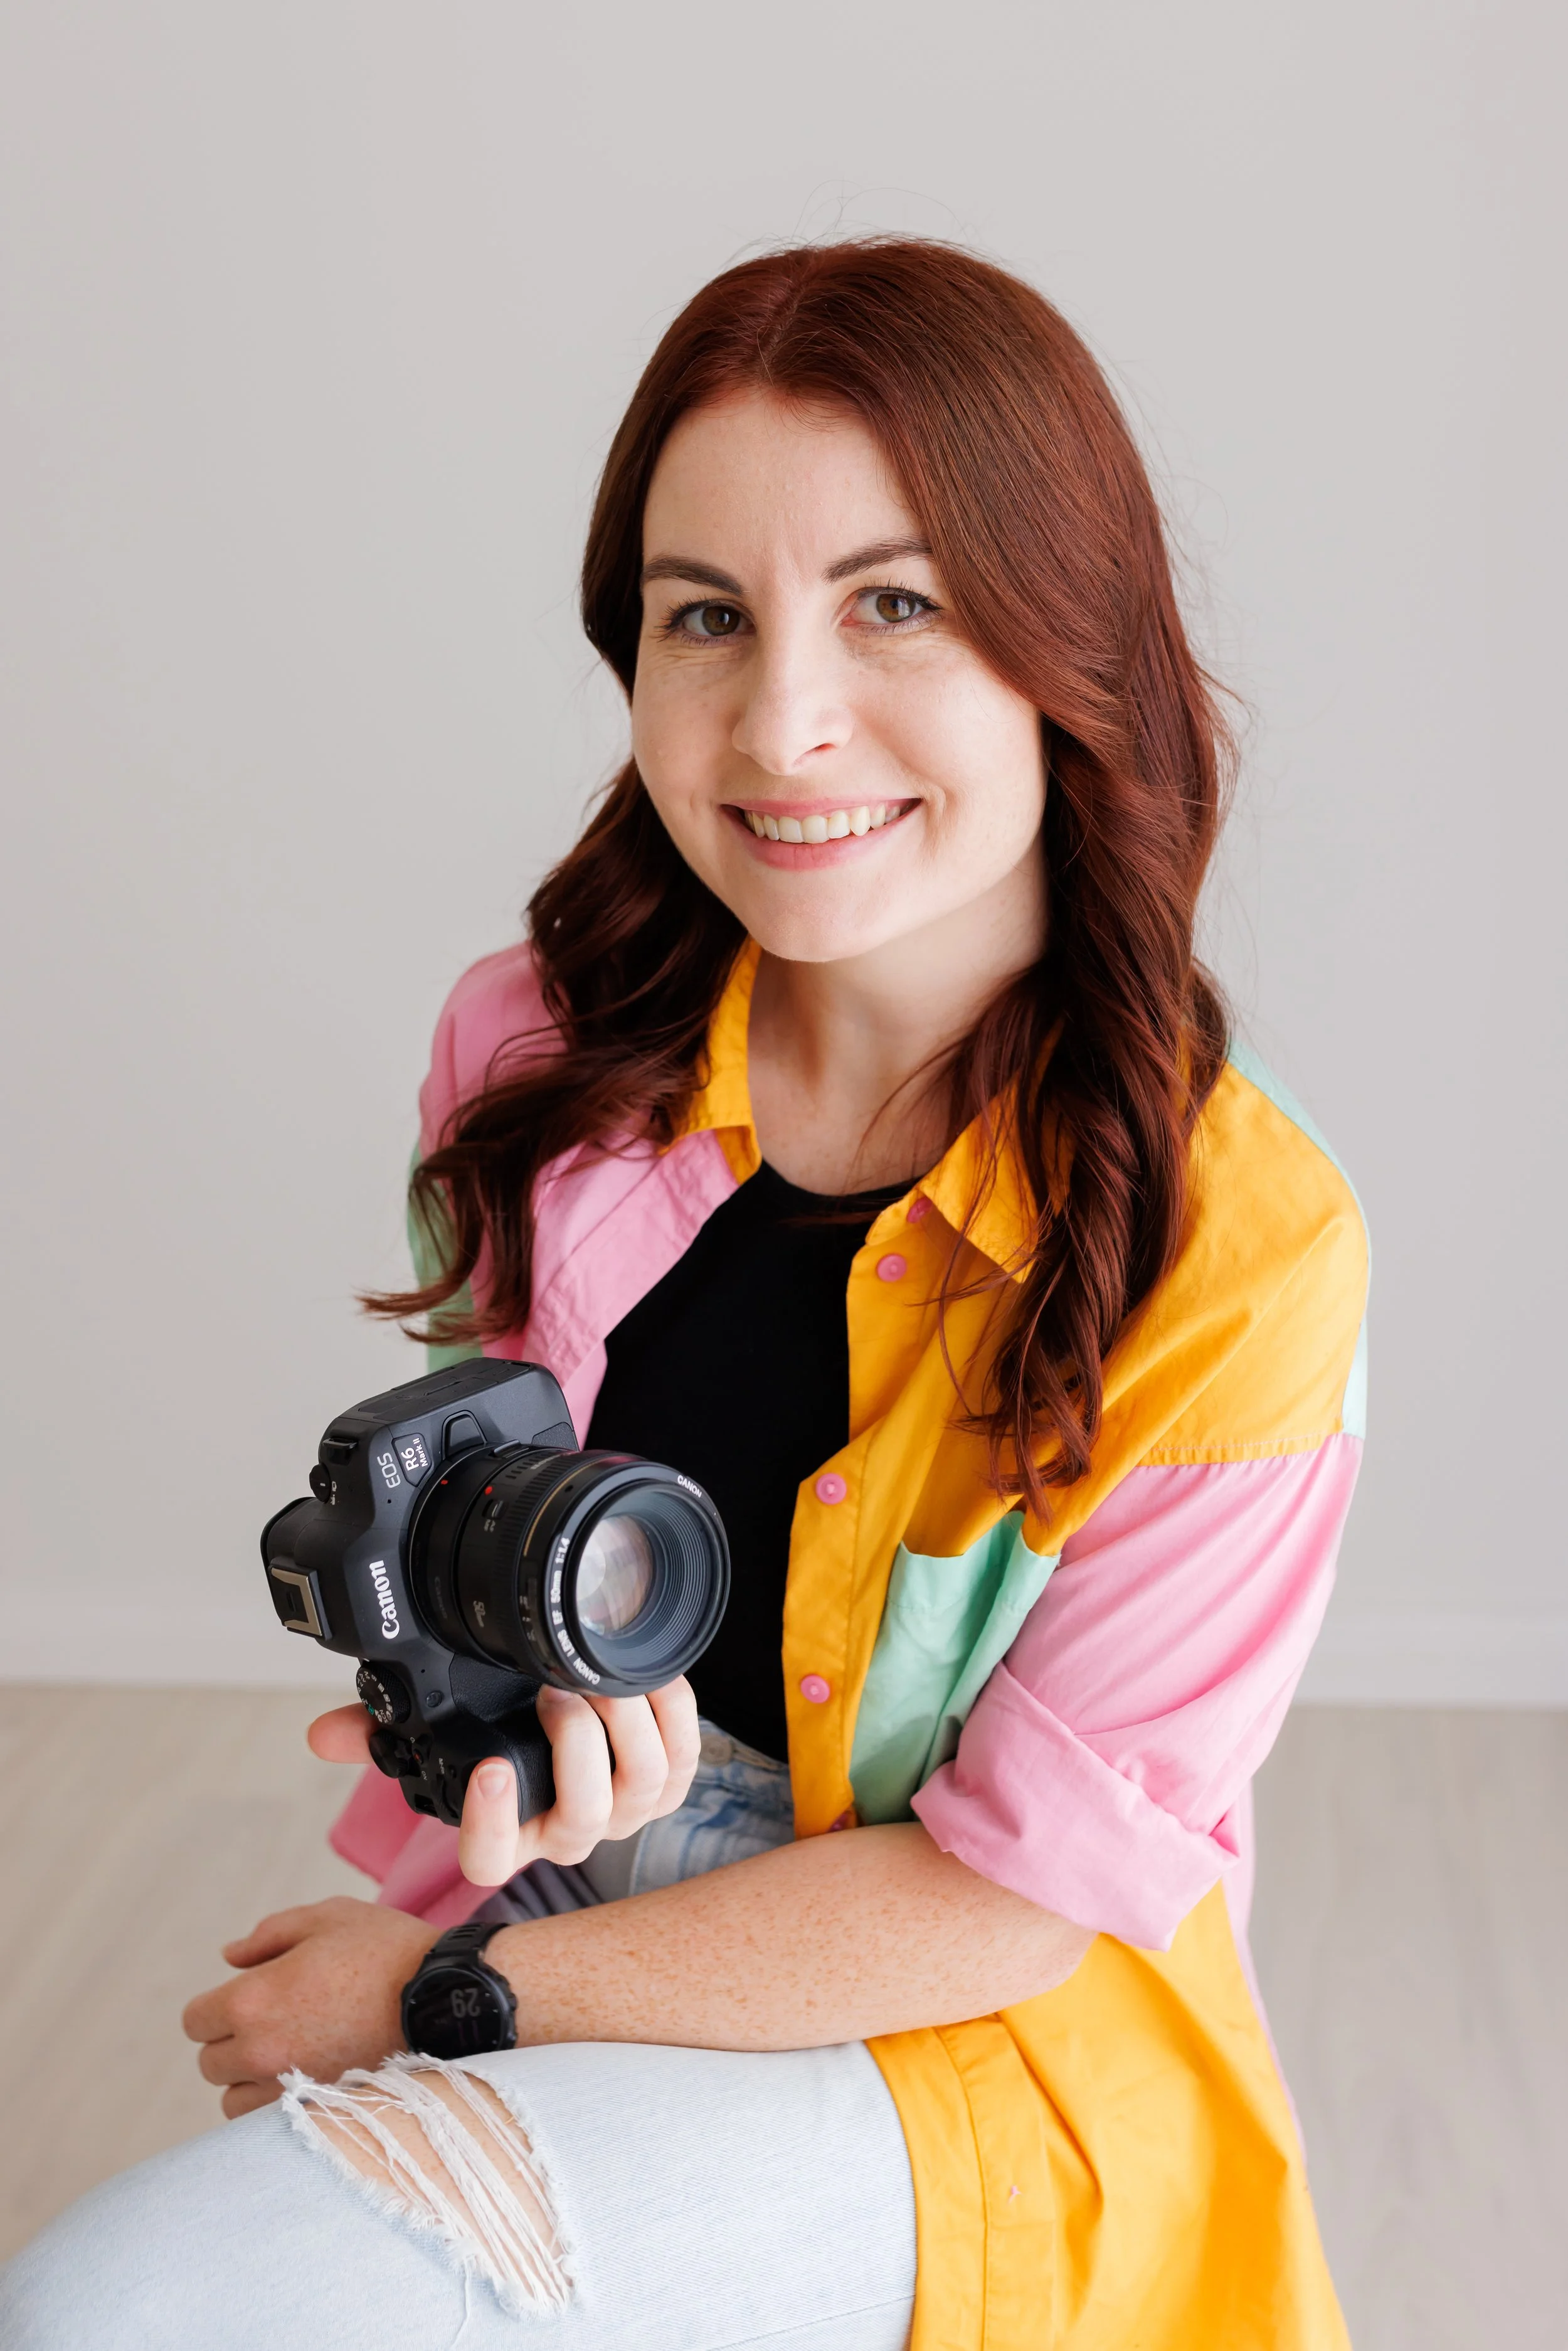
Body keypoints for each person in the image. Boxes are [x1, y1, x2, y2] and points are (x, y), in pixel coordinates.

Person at [1, 238, 1367, 2350]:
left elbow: (1008, 1896)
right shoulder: (538, 1055)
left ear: (1060, 650)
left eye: (893, 602)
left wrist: (448, 1994)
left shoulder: (1240, 1240)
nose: (782, 720)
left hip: (942, 2035)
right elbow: (513, 1554)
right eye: (703, 617)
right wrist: (488, 1719)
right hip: (563, 1895)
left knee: (118, 2305)